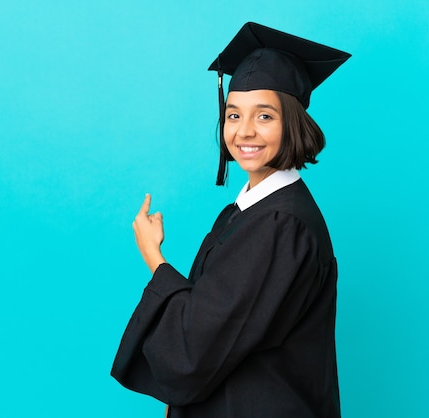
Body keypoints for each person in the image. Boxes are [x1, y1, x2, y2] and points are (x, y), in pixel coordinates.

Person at [111, 22, 351, 418]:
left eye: (265, 116)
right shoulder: (252, 211)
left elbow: (197, 344)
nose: (244, 132)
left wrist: (155, 258)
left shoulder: (280, 225)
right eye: (234, 114)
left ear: (292, 122)